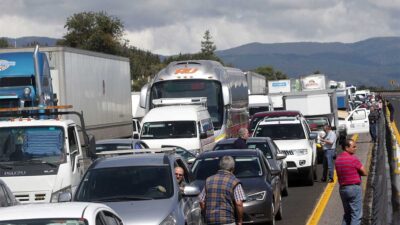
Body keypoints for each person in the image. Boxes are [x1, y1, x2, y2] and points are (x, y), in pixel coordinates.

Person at [200, 156, 245, 225]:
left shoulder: (208, 180)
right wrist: (240, 221)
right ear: (232, 168)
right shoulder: (235, 182)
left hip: (210, 221)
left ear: (220, 166)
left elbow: (202, 201)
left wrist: (206, 214)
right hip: (227, 220)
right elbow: (239, 204)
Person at [335, 139, 367, 225]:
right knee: (356, 215)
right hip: (354, 188)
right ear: (346, 148)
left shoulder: (338, 160)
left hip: (343, 189)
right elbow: (364, 172)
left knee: (347, 215)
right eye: (353, 147)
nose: (356, 148)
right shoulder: (353, 159)